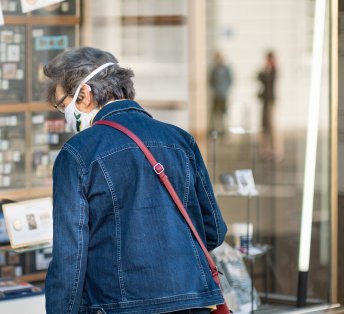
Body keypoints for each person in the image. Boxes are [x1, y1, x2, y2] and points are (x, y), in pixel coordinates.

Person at [43, 47, 228, 314]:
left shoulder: (78, 153)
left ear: (84, 94)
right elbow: (214, 231)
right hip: (192, 301)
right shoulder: (180, 140)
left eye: (63, 105)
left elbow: (70, 258)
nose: (65, 115)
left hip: (116, 305)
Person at [257, 51, 281, 160]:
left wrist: (267, 70)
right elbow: (259, 77)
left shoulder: (274, 70)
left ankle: (275, 149)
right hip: (265, 101)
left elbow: (268, 80)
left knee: (271, 125)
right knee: (264, 125)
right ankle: (265, 148)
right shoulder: (267, 71)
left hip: (270, 101)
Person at [209, 51, 232, 135]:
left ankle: (223, 129)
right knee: (215, 113)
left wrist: (225, 90)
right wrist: (215, 89)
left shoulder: (227, 69)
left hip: (223, 95)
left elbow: (230, 80)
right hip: (216, 94)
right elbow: (211, 81)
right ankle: (215, 129)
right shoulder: (214, 69)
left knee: (224, 113)